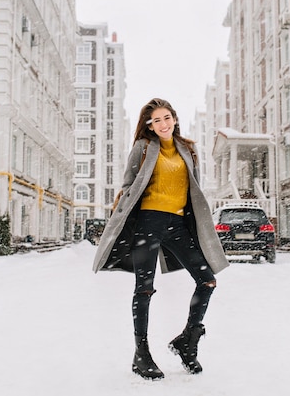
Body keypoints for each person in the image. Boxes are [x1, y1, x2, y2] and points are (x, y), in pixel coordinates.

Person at [92, 98, 229, 380]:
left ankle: (188, 341)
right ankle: (140, 354)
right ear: (150, 126)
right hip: (148, 222)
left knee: (207, 279)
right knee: (144, 288)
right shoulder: (142, 149)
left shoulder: (188, 150)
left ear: (174, 119)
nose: (163, 124)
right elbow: (128, 185)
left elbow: (194, 189)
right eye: (156, 120)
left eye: (167, 118)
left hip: (178, 224)